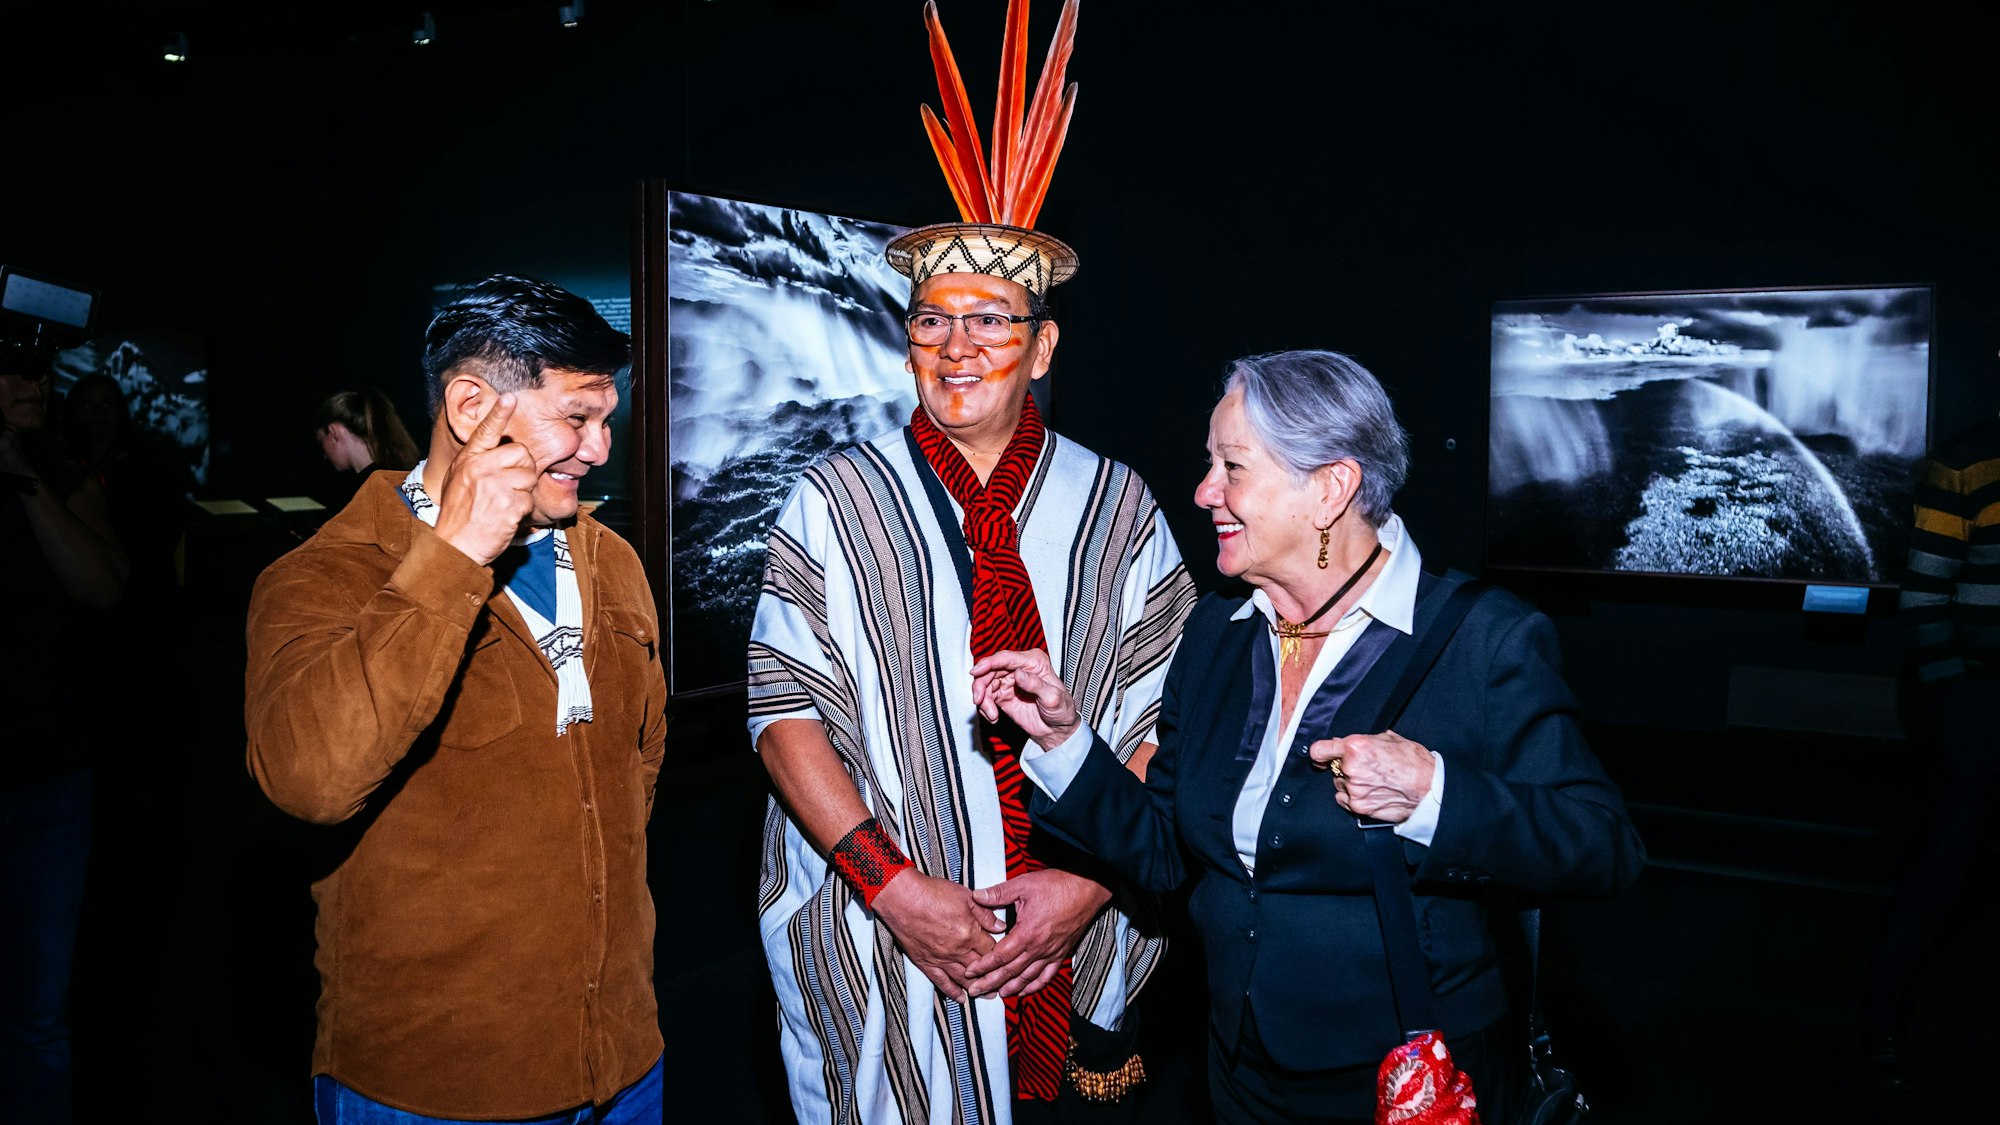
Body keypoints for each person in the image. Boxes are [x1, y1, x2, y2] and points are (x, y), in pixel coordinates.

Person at [971, 350, 1646, 1124]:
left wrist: (1434, 793)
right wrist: (1064, 741)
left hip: (1410, 1086)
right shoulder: (1216, 634)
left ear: (1330, 488)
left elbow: (1605, 847)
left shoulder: (1485, 640)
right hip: (1237, 1070)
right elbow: (1163, 849)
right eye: (1209, 463)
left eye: (1232, 467)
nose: (1204, 491)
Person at [748, 4, 1197, 1121]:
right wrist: (892, 891)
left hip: (1071, 927)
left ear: (1042, 346)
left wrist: (1085, 891)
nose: (957, 350)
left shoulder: (1113, 503)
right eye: (931, 323)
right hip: (886, 936)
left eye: (991, 321)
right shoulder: (835, 496)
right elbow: (779, 710)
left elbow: (1164, 723)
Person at [244, 275, 666, 1123]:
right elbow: (309, 780)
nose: (600, 447)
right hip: (435, 1085)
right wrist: (456, 555)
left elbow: (639, 765)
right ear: (471, 407)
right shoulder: (323, 577)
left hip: (623, 1060)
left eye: (606, 419)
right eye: (577, 418)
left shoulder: (612, 558)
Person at [0, 346, 128, 1123]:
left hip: (46, 779)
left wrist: (19, 470)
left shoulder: (61, 471)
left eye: (41, 371)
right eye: (13, 371)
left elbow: (103, 585)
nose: (35, 385)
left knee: (35, 1020)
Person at [1861, 403, 2000, 1094]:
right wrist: (1962, 706)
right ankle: (1882, 1021)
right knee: (1946, 860)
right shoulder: (1967, 461)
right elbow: (1923, 597)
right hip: (1982, 700)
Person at [316, 385, 421, 474]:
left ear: (335, 431)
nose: (325, 455)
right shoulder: (401, 477)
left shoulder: (369, 490)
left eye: (322, 440)